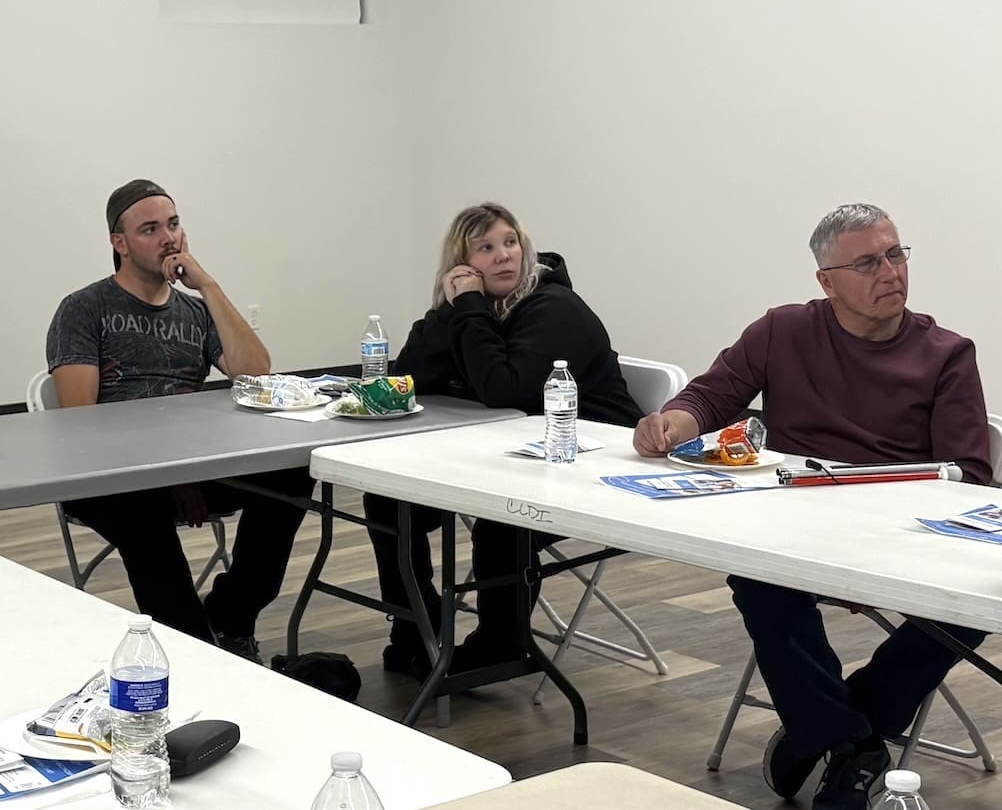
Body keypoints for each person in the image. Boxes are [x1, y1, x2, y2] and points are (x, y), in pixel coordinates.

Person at [634, 203, 990, 810]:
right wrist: (674, 421)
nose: (891, 273)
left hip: (900, 531)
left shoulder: (946, 354)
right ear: (827, 282)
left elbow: (972, 477)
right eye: (868, 263)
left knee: (980, 605)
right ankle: (852, 747)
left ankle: (833, 729)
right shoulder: (783, 330)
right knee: (760, 579)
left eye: (897, 254)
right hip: (795, 526)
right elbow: (714, 395)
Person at [365, 203, 642, 675]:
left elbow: (504, 389)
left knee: (503, 519)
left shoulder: (553, 308)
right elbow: (408, 379)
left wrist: (470, 309)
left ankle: (502, 643)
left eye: (510, 243)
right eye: (486, 248)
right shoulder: (482, 307)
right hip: (514, 454)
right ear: (462, 262)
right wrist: (450, 310)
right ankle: (417, 621)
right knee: (389, 499)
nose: (503, 257)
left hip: (594, 462)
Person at [46, 179, 310, 661]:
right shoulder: (84, 309)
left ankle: (232, 611)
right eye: (150, 229)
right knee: (141, 510)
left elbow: (256, 373)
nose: (167, 238)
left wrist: (208, 286)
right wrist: (170, 473)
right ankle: (193, 651)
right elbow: (79, 424)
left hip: (190, 465)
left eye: (173, 225)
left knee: (291, 472)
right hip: (109, 475)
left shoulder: (194, 309)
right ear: (119, 243)